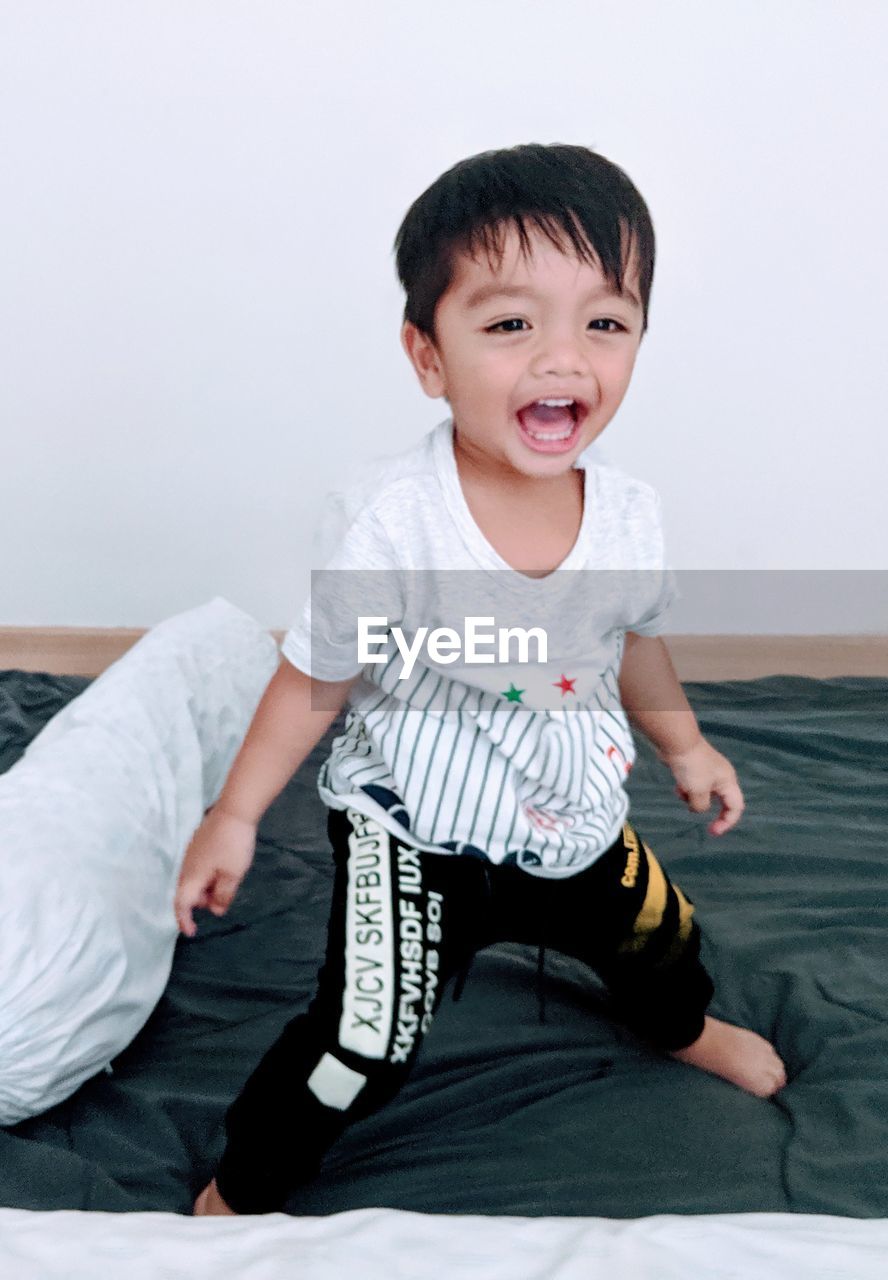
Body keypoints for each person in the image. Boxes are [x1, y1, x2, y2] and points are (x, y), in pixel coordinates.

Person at [175, 142, 787, 1217]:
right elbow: (315, 674)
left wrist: (684, 743)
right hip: (416, 830)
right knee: (360, 1038)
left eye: (605, 322)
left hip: (572, 812)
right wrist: (234, 813)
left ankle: (681, 1026)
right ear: (428, 354)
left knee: (664, 938)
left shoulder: (629, 511)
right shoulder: (392, 523)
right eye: (510, 325)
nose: (564, 359)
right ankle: (245, 1183)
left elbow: (636, 639)